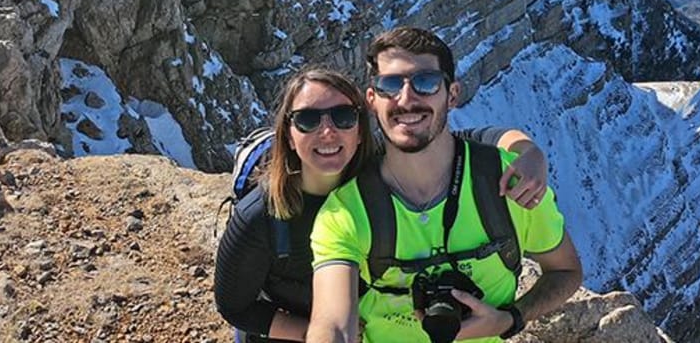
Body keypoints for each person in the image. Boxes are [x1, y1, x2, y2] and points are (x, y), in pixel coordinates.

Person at [215, 67, 551, 342]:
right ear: (288, 134)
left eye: (343, 116)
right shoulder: (261, 216)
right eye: (308, 120)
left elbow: (470, 142)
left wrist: (528, 153)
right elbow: (234, 306)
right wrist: (309, 333)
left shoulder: (380, 173)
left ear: (360, 130)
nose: (328, 131)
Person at [307, 28, 583, 343]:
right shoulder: (347, 210)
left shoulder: (508, 182)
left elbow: (565, 271)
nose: (406, 99)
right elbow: (331, 324)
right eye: (390, 85)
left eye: (425, 83)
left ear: (452, 95)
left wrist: (509, 320)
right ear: (372, 100)